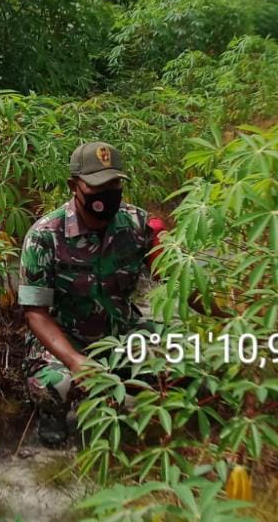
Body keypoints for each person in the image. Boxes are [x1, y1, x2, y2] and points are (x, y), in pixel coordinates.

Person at [17, 141, 167, 446]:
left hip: (121, 333)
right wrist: (75, 361)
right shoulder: (45, 236)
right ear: (74, 186)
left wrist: (230, 313)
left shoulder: (138, 225)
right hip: (65, 339)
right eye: (97, 186)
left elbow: (178, 279)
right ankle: (53, 414)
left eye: (114, 184)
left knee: (179, 355)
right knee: (54, 384)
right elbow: (36, 313)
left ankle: (129, 385)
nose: (106, 194)